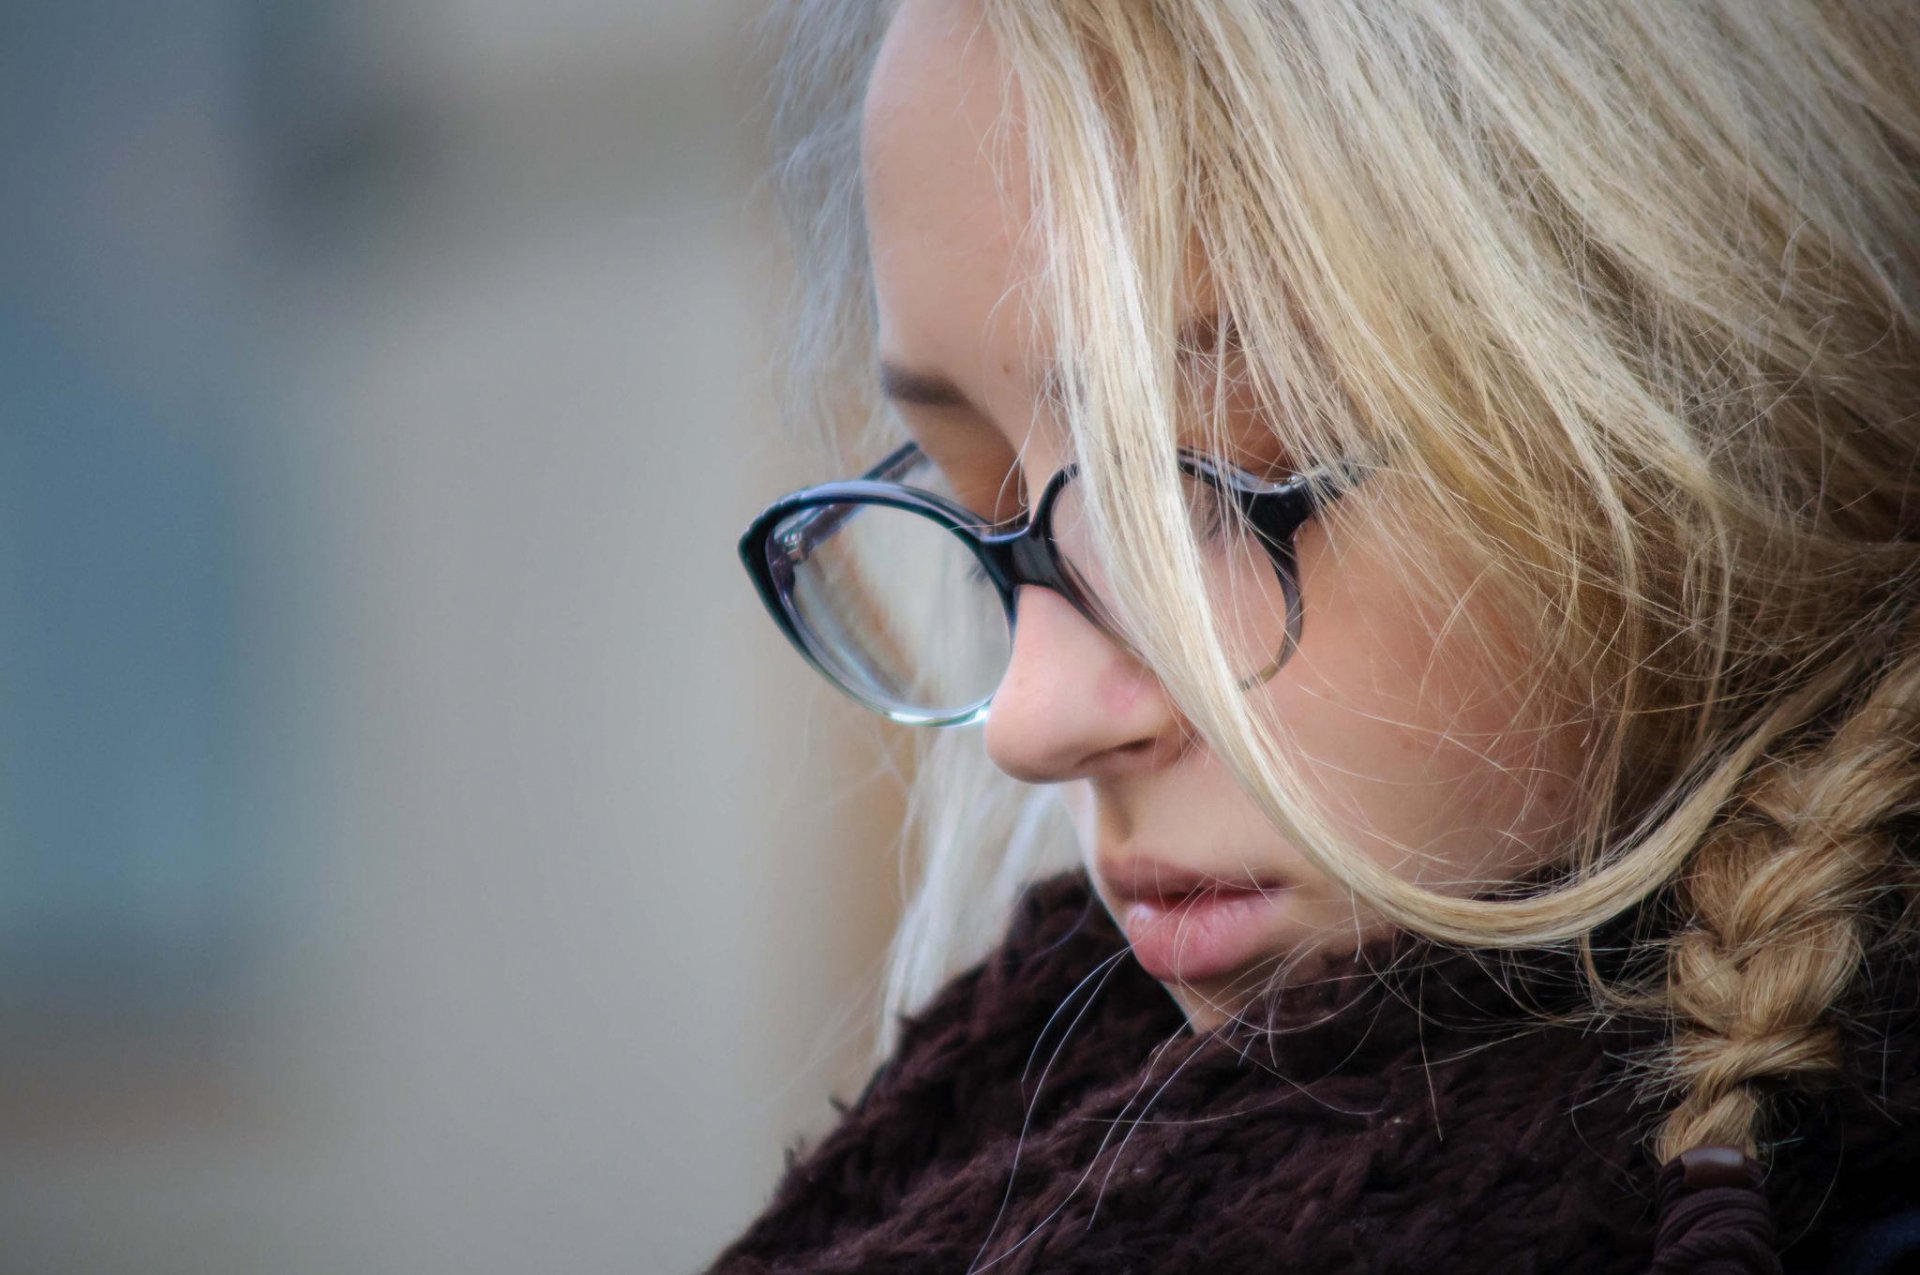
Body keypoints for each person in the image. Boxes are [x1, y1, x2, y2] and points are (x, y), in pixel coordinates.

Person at [715, 1, 1920, 1270]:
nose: (1030, 720)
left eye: (1218, 492)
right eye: (985, 507)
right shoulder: (1000, 1132)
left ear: (1721, 419)